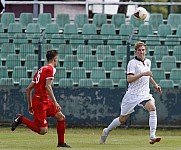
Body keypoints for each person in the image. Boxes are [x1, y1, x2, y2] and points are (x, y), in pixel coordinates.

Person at [100, 41, 162, 145]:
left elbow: (148, 76)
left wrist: (155, 85)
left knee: (152, 108)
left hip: (144, 94)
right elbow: (129, 79)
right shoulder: (132, 63)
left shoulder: (148, 62)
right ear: (136, 51)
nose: (141, 52)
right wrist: (142, 74)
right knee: (122, 119)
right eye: (139, 50)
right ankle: (106, 131)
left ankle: (152, 136)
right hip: (132, 95)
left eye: (143, 50)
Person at [11, 50, 71, 148]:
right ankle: (21, 119)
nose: (57, 61)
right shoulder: (51, 69)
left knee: (61, 117)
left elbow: (28, 89)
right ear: (55, 59)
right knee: (43, 130)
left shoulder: (41, 70)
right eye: (57, 59)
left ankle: (61, 143)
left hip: (43, 100)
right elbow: (48, 86)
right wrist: (55, 102)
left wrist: (30, 105)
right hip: (40, 103)